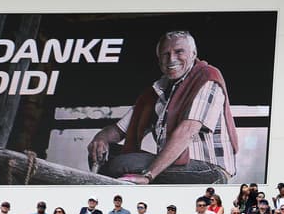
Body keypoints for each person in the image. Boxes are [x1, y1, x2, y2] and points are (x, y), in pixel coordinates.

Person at [88, 31, 239, 184]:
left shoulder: (207, 77)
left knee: (121, 164)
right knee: (106, 154)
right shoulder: (159, 90)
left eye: (179, 52)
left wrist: (148, 175)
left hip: (210, 171)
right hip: (176, 166)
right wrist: (101, 138)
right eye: (165, 54)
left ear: (194, 54)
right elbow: (119, 129)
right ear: (159, 60)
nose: (171, 59)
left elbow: (186, 131)